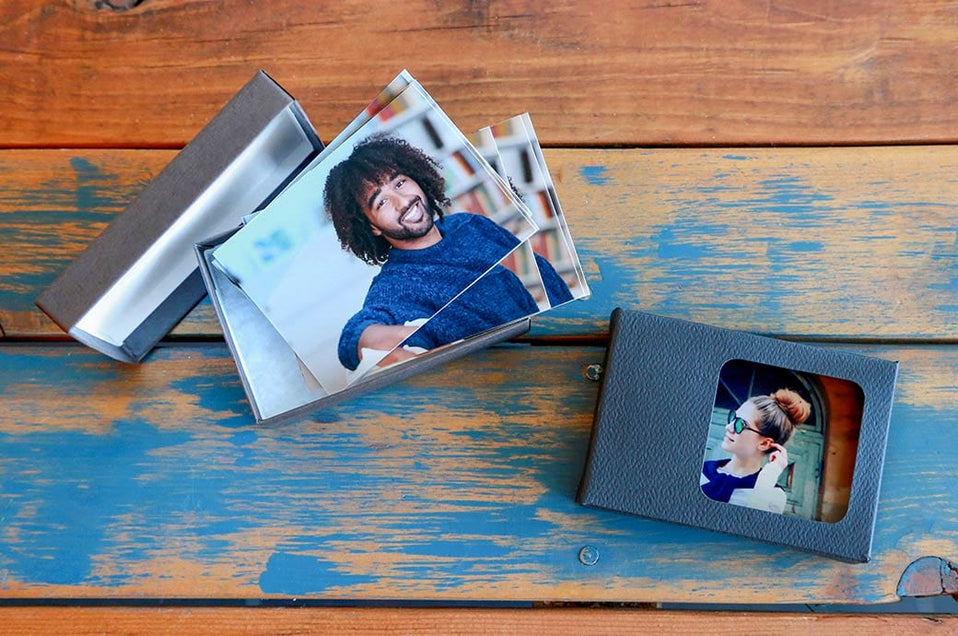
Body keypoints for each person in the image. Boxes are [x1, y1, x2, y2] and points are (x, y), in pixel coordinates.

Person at [324, 135, 572, 371]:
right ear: (372, 227)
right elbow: (356, 333)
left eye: (400, 183)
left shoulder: (470, 224)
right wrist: (374, 338)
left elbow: (543, 273)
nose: (403, 201)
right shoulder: (396, 285)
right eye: (382, 202)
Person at [700, 388, 810, 513]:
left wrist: (767, 479)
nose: (728, 427)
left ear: (764, 443)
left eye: (740, 424)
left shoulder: (771, 494)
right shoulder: (702, 470)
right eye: (732, 417)